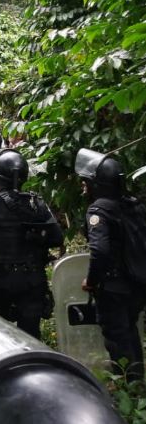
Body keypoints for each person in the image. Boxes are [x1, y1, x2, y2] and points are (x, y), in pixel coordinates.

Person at [0, 150, 63, 338]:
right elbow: (57, 238)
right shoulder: (36, 203)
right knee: (31, 336)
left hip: (0, 280)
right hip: (33, 279)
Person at [76, 149, 146, 381]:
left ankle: (129, 389)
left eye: (86, 183)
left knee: (117, 338)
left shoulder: (98, 210)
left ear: (97, 184)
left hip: (114, 286)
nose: (84, 188)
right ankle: (138, 385)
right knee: (130, 331)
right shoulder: (134, 205)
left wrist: (92, 280)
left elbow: (100, 250)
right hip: (136, 283)